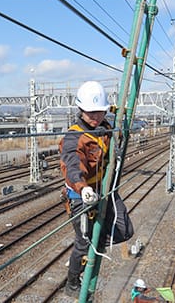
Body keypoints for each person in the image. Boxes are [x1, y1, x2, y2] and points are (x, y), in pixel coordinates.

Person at [59, 81, 133, 297]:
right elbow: (72, 168)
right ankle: (72, 282)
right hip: (80, 195)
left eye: (100, 112)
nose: (96, 117)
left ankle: (97, 243)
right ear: (81, 110)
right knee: (83, 244)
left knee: (124, 229)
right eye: (91, 113)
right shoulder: (74, 138)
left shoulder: (106, 127)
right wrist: (83, 189)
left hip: (104, 188)